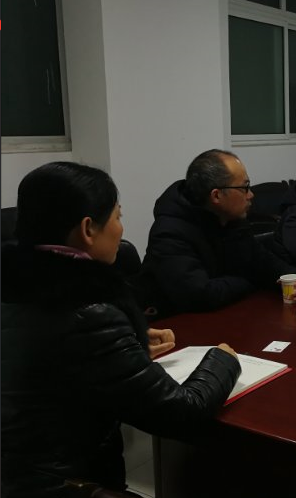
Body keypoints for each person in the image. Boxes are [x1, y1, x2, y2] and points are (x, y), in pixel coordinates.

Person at [0, 162, 241, 497]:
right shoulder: (89, 313)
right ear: (88, 229)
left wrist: (129, 346)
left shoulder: (17, 289)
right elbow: (181, 412)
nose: (121, 229)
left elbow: (54, 364)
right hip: (62, 486)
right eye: (117, 216)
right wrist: (223, 359)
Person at [136, 149, 296, 317]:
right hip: (173, 325)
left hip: (226, 315)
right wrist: (252, 281)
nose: (251, 195)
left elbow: (264, 264)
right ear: (216, 196)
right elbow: (200, 296)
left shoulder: (231, 220)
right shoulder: (169, 232)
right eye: (245, 188)